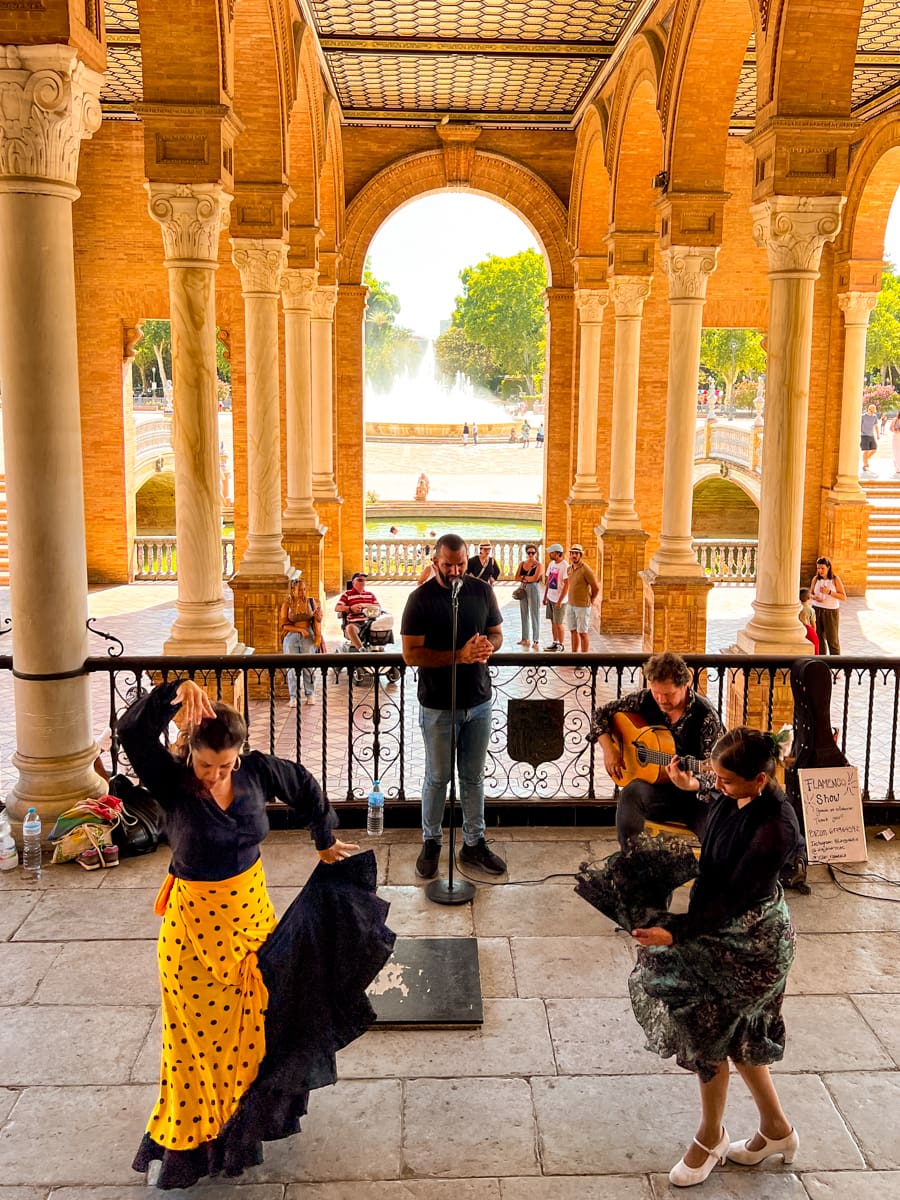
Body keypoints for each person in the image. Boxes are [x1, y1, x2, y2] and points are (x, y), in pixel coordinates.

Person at [119, 678, 390, 1190]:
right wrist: (173, 692)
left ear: (238, 755)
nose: (215, 774)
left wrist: (324, 839)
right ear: (189, 752)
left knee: (258, 1028)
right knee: (197, 1046)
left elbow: (303, 784)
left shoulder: (255, 772)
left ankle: (244, 1131)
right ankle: (192, 1146)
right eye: (206, 765)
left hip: (250, 919)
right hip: (194, 937)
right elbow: (132, 733)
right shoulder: (171, 781)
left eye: (225, 765)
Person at [630, 727, 801, 1188]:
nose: (717, 785)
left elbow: (733, 899)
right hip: (723, 927)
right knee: (738, 1035)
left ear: (760, 780)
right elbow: (714, 824)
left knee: (710, 1032)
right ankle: (777, 1130)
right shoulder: (734, 797)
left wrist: (675, 930)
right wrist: (693, 791)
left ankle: (710, 1137)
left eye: (725, 780)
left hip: (753, 944)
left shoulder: (776, 829)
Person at [401, 532, 507, 879]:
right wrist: (458, 656)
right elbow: (410, 653)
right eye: (448, 565)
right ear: (436, 563)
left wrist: (488, 646)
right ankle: (431, 842)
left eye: (461, 563)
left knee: (473, 777)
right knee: (438, 777)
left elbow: (496, 632)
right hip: (438, 706)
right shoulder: (420, 600)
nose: (456, 570)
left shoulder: (481, 591)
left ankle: (474, 843)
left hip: (478, 701)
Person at [589, 651, 723, 849]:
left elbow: (715, 772)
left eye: (668, 694)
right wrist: (610, 749)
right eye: (656, 692)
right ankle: (631, 859)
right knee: (631, 793)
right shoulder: (644, 699)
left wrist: (691, 783)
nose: (660, 700)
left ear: (685, 684)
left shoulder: (706, 716)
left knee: (717, 836)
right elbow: (600, 714)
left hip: (696, 799)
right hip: (658, 793)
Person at [280, 575, 322, 707]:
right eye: (299, 590)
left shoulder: (311, 602)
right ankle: (293, 696)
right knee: (292, 667)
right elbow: (284, 625)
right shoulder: (287, 604)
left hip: (307, 636)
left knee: (308, 666)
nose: (301, 592)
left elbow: (317, 620)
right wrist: (299, 630)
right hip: (292, 636)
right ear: (293, 590)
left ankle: (310, 694)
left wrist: (319, 618)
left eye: (304, 589)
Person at [564, 543, 599, 652]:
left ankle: (584, 658)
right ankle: (575, 656)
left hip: (582, 606)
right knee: (573, 630)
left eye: (576, 553)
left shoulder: (586, 569)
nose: (574, 555)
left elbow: (595, 587)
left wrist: (591, 599)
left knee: (582, 632)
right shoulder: (569, 569)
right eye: (572, 553)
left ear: (580, 555)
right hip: (570, 604)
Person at [809, 556, 846, 655]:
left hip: (831, 612)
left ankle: (837, 666)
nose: (820, 570)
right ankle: (822, 664)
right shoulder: (815, 579)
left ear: (828, 567)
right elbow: (810, 593)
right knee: (819, 638)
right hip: (816, 610)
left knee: (832, 640)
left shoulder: (835, 579)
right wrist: (814, 597)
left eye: (822, 568)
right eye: (818, 568)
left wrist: (829, 592)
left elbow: (843, 597)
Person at [335, 572, 381, 650]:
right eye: (359, 580)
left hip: (370, 622)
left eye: (364, 580)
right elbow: (337, 608)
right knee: (350, 628)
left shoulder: (370, 594)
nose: (362, 582)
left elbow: (378, 607)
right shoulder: (347, 595)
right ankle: (361, 650)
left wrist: (364, 606)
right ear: (353, 582)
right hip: (355, 623)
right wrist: (350, 608)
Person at [515, 543, 543, 648]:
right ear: (526, 553)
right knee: (524, 613)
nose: (531, 554)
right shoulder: (522, 563)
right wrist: (525, 579)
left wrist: (523, 578)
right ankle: (525, 638)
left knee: (534, 614)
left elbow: (535, 578)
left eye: (533, 552)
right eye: (529, 552)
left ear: (536, 553)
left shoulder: (538, 565)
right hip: (523, 588)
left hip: (533, 589)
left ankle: (536, 640)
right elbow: (516, 577)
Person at [541, 543, 568, 650]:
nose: (549, 554)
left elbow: (567, 584)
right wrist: (545, 596)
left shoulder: (565, 566)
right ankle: (555, 642)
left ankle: (561, 645)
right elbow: (548, 580)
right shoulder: (552, 564)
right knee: (553, 621)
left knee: (559, 623)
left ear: (557, 553)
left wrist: (560, 601)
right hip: (551, 597)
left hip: (559, 600)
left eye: (551, 552)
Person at [798, 587, 819, 654]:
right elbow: (813, 624)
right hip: (809, 632)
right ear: (809, 598)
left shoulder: (797, 608)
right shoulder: (811, 610)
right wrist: (814, 633)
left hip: (799, 631)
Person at [860, 404, 879, 473]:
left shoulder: (874, 417)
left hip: (871, 435)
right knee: (866, 451)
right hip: (864, 435)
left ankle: (866, 460)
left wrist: (878, 434)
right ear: (868, 409)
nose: (872, 412)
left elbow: (876, 426)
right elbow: (859, 425)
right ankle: (865, 465)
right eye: (871, 411)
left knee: (874, 449)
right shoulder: (863, 416)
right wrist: (861, 432)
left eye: (873, 411)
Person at [891, 411, 900, 475]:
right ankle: (897, 468)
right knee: (896, 451)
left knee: (897, 452)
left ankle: (897, 467)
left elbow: (891, 429)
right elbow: (891, 428)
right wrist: (895, 430)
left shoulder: (895, 419)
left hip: (897, 436)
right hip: (896, 436)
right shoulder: (895, 419)